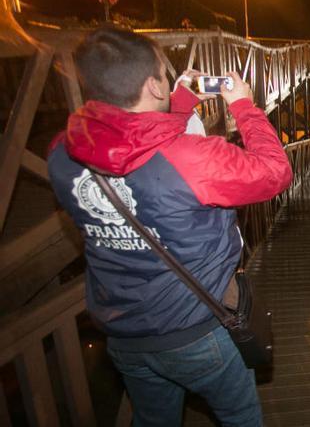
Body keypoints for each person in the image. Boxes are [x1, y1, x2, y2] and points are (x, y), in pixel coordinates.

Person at [47, 28, 292, 426]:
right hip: (196, 331)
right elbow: (275, 172)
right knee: (240, 417)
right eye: (164, 73)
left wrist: (179, 104)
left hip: (124, 333)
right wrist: (244, 106)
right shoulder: (195, 158)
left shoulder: (62, 152)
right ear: (151, 85)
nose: (167, 78)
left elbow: (135, 149)